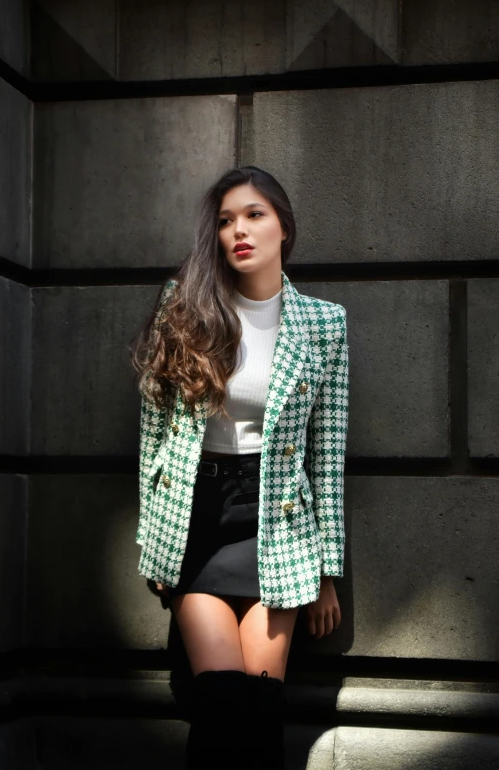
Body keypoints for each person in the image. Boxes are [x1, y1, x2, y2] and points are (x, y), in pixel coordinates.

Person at [130, 165, 349, 769]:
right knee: (220, 702)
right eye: (226, 221)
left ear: (284, 226)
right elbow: (153, 432)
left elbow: (326, 455)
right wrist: (154, 541)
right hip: (197, 521)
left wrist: (327, 573)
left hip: (276, 527)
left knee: (260, 708)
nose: (239, 231)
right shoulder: (186, 306)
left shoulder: (323, 323)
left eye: (255, 215)